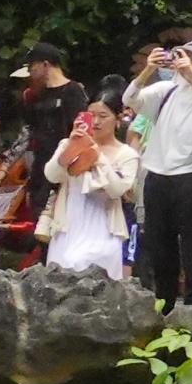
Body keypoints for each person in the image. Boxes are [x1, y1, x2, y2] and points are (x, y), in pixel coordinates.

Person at [126, 34, 192, 308]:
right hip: (157, 175)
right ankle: (164, 304)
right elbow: (130, 98)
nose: (189, 62)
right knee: (159, 244)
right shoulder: (165, 91)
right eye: (188, 56)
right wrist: (148, 69)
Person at [36, 100, 136, 275]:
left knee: (89, 270)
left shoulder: (127, 154)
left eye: (103, 116)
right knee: (60, 276)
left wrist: (97, 156)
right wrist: (71, 147)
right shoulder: (68, 143)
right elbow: (51, 174)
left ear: (118, 119)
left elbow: (117, 189)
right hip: (67, 225)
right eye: (92, 115)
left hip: (104, 226)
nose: (96, 122)